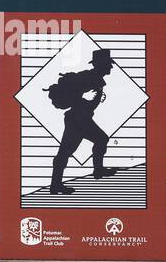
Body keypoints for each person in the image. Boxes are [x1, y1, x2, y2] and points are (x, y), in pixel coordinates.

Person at [48, 49, 118, 195]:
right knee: (66, 152)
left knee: (99, 140)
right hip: (78, 119)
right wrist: (86, 102)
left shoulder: (94, 77)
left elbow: (88, 99)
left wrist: (90, 102)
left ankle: (97, 171)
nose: (111, 67)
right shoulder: (89, 78)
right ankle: (56, 185)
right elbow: (78, 95)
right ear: (101, 65)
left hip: (81, 117)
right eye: (108, 64)